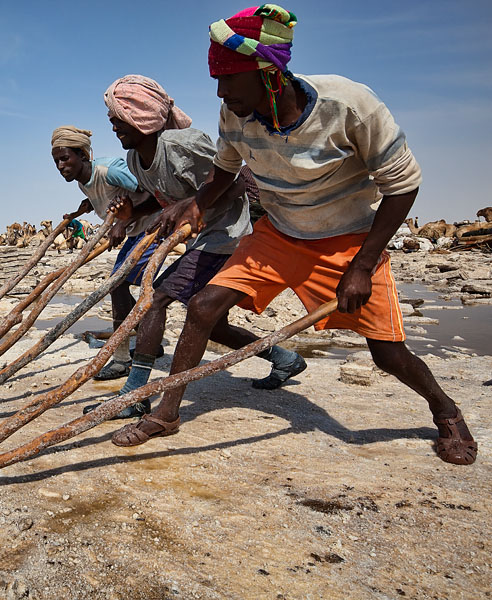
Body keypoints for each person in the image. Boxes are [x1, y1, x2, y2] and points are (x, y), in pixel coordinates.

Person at [111, 5, 477, 467]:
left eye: (229, 79)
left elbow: (403, 186)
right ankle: (167, 413)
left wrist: (362, 266)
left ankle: (445, 411)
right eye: (217, 81)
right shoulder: (235, 115)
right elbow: (226, 167)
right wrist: (197, 203)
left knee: (387, 352)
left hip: (348, 241)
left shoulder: (349, 105)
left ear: (270, 74)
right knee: (203, 307)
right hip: (279, 234)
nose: (221, 92)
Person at [85, 74, 305, 419]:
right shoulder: (134, 161)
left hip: (228, 235)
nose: (113, 124)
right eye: (112, 117)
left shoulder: (183, 144)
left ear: (143, 115)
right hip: (202, 240)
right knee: (214, 325)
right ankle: (284, 358)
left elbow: (236, 180)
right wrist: (130, 215)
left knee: (155, 299)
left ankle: (136, 394)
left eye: (119, 116)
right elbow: (164, 201)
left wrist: (195, 206)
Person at [51, 125, 159, 380]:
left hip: (152, 228)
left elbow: (151, 195)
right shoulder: (83, 183)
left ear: (83, 156)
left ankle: (122, 360)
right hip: (134, 234)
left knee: (118, 285)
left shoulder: (109, 170)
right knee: (118, 286)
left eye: (65, 158)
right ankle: (148, 339)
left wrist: (122, 222)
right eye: (56, 161)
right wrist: (84, 208)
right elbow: (102, 196)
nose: (60, 166)